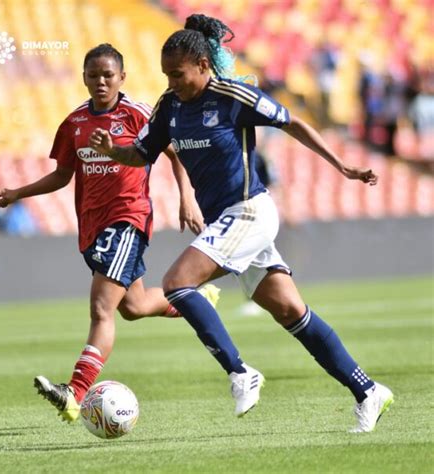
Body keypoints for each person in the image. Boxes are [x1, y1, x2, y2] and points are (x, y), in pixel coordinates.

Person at [88, 16, 393, 433]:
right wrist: (114, 150)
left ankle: (239, 371)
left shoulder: (233, 95)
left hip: (250, 210)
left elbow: (293, 124)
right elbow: (142, 154)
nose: (172, 82)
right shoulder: (170, 106)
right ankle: (367, 390)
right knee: (289, 310)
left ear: (201, 64)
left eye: (177, 74)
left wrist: (342, 166)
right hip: (227, 221)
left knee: (178, 283)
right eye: (166, 75)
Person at [0, 43, 219, 423]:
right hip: (92, 227)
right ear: (83, 77)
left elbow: (175, 151)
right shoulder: (75, 123)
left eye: (108, 75)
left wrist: (187, 197)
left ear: (122, 78)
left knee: (101, 308)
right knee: (133, 307)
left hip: (128, 219)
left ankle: (74, 392)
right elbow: (64, 175)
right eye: (93, 75)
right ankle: (197, 302)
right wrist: (18, 193)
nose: (100, 82)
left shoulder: (137, 114)